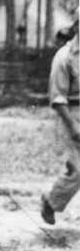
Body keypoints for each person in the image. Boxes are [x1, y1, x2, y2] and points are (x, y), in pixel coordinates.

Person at [40, 25, 79, 225]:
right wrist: (73, 126)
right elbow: (57, 98)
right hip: (72, 114)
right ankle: (51, 201)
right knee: (78, 170)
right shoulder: (64, 57)